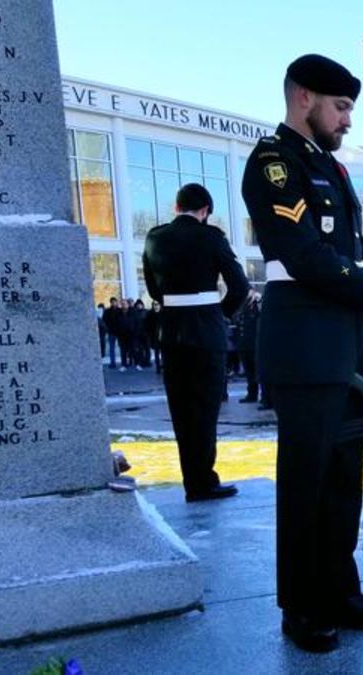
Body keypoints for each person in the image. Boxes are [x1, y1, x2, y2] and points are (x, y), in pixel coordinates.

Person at [241, 54, 363, 652]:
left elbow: (351, 248)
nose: (346, 121)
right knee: (307, 478)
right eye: (340, 108)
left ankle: (340, 588)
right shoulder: (274, 163)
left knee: (344, 477)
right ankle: (302, 603)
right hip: (306, 343)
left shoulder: (331, 170)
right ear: (305, 98)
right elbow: (307, 254)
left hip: (345, 342)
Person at [142, 183, 249, 503]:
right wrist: (220, 315)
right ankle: (204, 480)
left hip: (172, 332)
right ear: (204, 211)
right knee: (205, 408)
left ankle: (193, 480)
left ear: (177, 208)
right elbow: (240, 286)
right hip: (206, 332)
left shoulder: (155, 237)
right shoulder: (211, 236)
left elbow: (153, 288)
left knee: (181, 410)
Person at [235, 293, 267, 407]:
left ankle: (265, 397)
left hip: (255, 343)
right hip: (244, 344)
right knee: (249, 372)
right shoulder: (241, 305)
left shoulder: (257, 304)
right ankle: (252, 394)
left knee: (259, 371)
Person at [144, 300, 164, 375]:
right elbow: (146, 326)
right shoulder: (150, 314)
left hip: (163, 337)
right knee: (156, 353)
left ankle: (163, 366)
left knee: (164, 353)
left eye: (157, 304)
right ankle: (158, 367)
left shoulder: (163, 314)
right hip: (154, 337)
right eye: (154, 304)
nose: (156, 306)